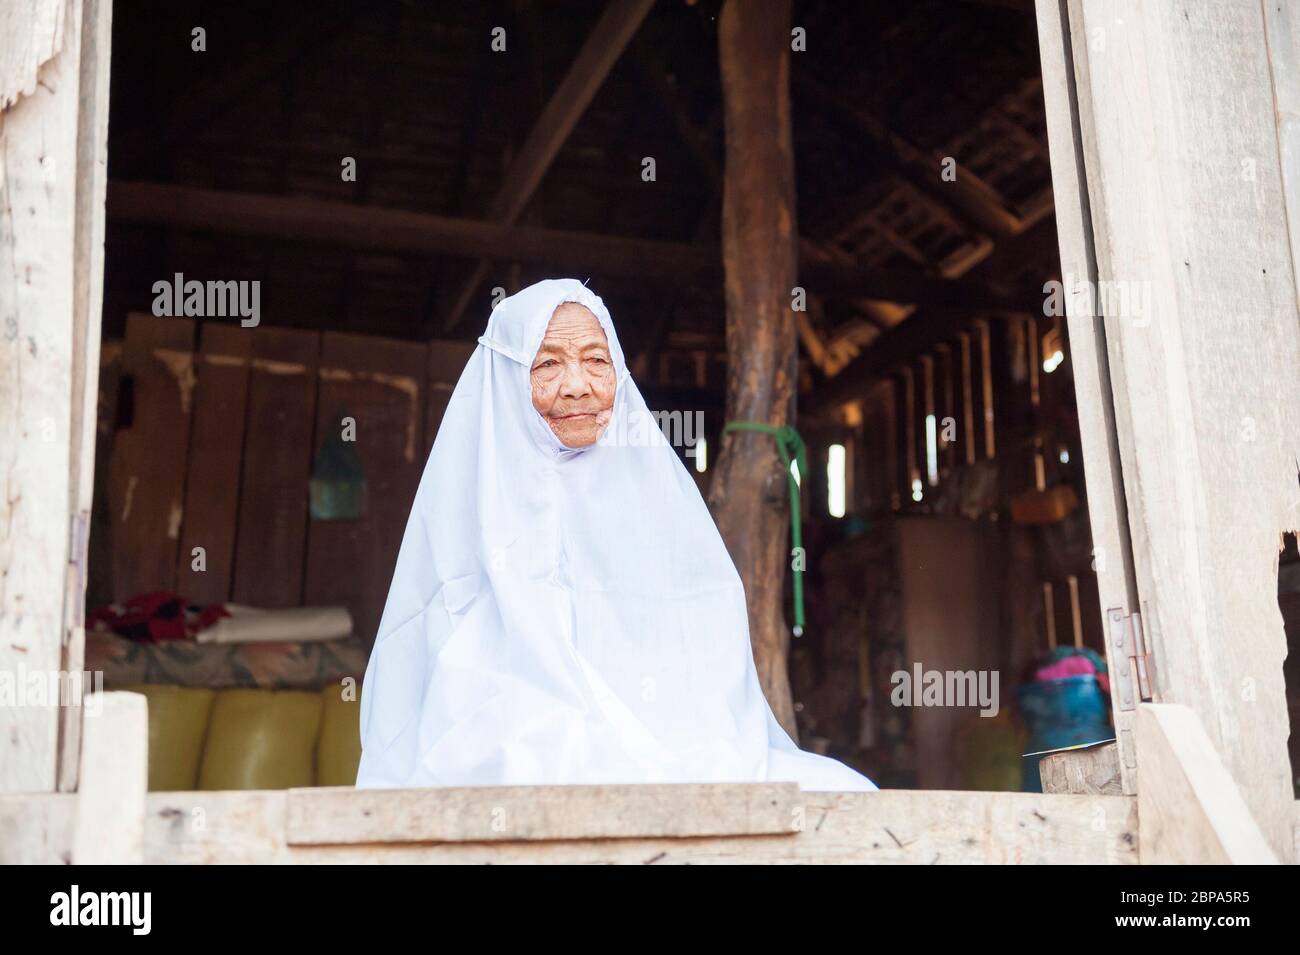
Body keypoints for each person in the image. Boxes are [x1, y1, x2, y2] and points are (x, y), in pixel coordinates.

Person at [355, 277, 877, 792]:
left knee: (844, 793)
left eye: (597, 360)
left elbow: (702, 661)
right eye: (548, 363)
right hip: (516, 745)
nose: (578, 384)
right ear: (506, 378)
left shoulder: (659, 501)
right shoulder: (467, 510)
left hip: (670, 746)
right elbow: (452, 689)